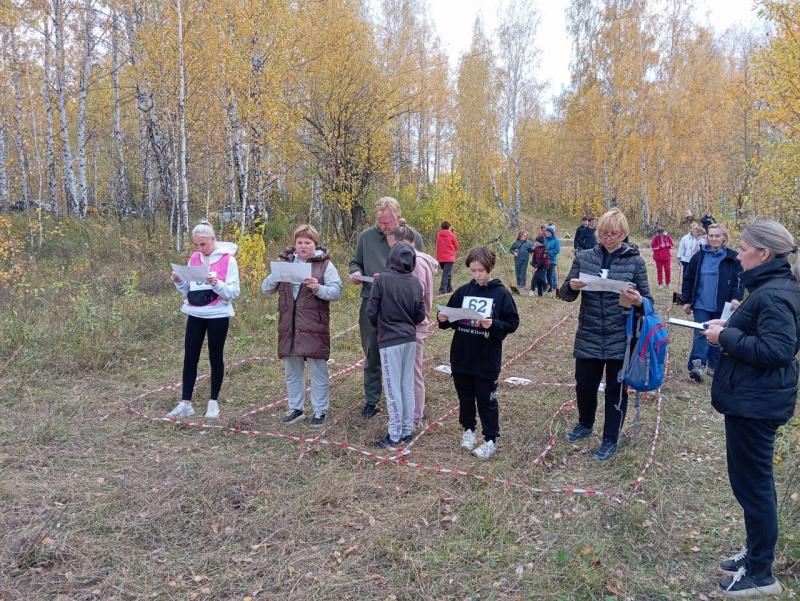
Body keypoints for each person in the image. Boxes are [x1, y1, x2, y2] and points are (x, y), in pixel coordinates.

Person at [700, 220, 799, 598]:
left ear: (764, 254)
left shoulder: (773, 294)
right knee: (752, 486)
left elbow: (777, 350)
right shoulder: (772, 288)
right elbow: (770, 336)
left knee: (754, 488)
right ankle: (757, 555)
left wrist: (725, 335)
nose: (737, 253)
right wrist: (731, 324)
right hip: (755, 399)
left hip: (756, 404)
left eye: (742, 248)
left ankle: (761, 573)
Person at [559, 208, 652, 461]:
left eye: (613, 233)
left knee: (615, 390)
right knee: (585, 385)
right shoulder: (585, 257)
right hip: (589, 331)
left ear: (623, 234)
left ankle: (610, 438)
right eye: (603, 233)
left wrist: (638, 300)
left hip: (620, 336)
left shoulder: (635, 261)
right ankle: (585, 423)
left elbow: (648, 301)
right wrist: (571, 286)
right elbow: (565, 295)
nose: (607, 238)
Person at [437, 246, 519, 460]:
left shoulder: (501, 294)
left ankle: (490, 439)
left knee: (486, 400)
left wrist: (493, 325)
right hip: (462, 356)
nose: (476, 275)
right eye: (473, 271)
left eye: (480, 271)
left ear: (489, 268)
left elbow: (512, 323)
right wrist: (443, 319)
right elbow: (450, 318)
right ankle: (468, 430)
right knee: (465, 396)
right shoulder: (463, 291)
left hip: (486, 359)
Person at [349, 197, 424, 419]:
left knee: (403, 354)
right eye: (380, 222)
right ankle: (372, 399)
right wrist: (355, 272)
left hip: (399, 305)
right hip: (371, 301)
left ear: (398, 218)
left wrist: (392, 279)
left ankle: (409, 400)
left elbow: (420, 267)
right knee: (372, 351)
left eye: (388, 222)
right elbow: (356, 262)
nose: (384, 227)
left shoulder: (412, 237)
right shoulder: (366, 237)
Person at [261, 224, 342, 427]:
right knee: (292, 371)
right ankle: (296, 409)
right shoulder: (285, 263)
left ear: (315, 244)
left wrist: (318, 288)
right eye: (300, 242)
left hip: (315, 326)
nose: (303, 246)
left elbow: (336, 292)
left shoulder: (324, 265)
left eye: (308, 242)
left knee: (318, 371)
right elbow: (266, 289)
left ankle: (319, 410)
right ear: (294, 244)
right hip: (289, 326)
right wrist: (276, 275)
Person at [168, 221, 240, 419]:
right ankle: (185, 403)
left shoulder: (229, 260)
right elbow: (189, 290)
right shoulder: (194, 258)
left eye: (204, 244)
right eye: (196, 245)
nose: (200, 249)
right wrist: (179, 281)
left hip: (218, 314)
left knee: (215, 357)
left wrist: (217, 284)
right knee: (190, 356)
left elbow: (234, 292)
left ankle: (213, 403)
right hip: (195, 313)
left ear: (213, 239)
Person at [366, 242, 425, 448]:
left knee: (392, 389)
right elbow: (420, 315)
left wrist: (380, 325)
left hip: (390, 340)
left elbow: (371, 311)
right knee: (406, 386)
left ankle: (394, 435)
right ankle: (407, 430)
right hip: (410, 339)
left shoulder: (381, 280)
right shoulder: (416, 283)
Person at [387, 222, 438, 427]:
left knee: (412, 372)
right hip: (411, 324)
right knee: (409, 370)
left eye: (392, 246)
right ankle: (412, 411)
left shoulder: (415, 264)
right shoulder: (419, 260)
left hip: (411, 325)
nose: (390, 251)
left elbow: (413, 295)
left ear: (403, 243)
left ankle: (415, 415)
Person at [681, 223, 743, 382]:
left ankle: (715, 365)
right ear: (707, 237)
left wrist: (736, 297)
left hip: (724, 304)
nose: (714, 239)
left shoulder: (733, 257)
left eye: (718, 236)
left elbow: (739, 280)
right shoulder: (699, 256)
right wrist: (686, 300)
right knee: (701, 333)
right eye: (711, 236)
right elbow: (688, 278)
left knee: (720, 335)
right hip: (701, 302)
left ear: (724, 237)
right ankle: (697, 367)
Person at [436, 221, 459, 294]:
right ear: (449, 227)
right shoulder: (452, 235)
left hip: (440, 258)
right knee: (446, 273)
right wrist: (453, 249)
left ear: (442, 227)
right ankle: (442, 290)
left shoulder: (439, 234)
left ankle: (449, 289)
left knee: (447, 272)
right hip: (449, 257)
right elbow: (456, 246)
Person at [544, 226, 561, 292]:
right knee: (543, 274)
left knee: (550, 275)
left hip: (552, 260)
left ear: (552, 233)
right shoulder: (544, 239)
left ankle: (550, 289)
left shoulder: (556, 240)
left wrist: (548, 252)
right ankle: (545, 287)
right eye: (546, 232)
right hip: (544, 260)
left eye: (548, 232)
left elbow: (557, 250)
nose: (547, 233)